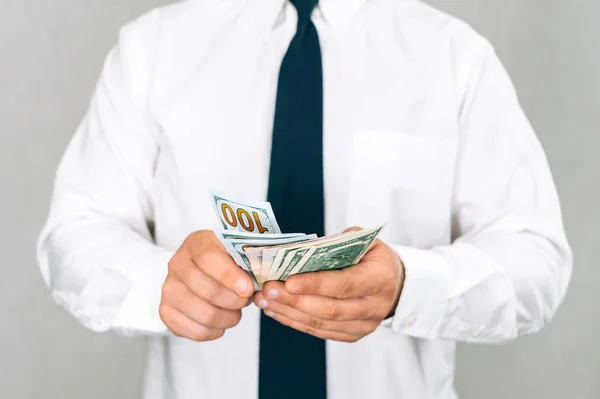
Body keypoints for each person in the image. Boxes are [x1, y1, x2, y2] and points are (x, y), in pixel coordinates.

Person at [37, 0, 573, 398]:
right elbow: (76, 234)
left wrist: (409, 285)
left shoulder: (457, 59)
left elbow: (535, 260)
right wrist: (163, 284)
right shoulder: (151, 49)